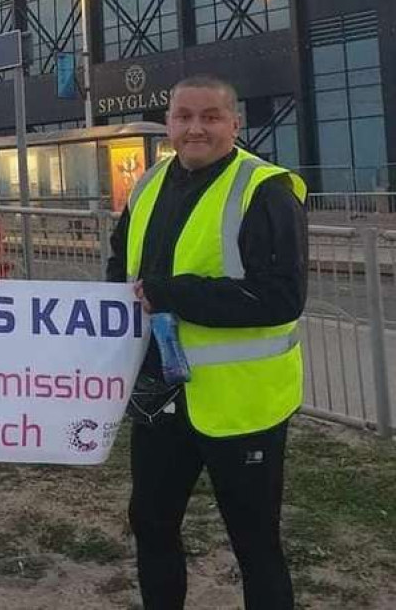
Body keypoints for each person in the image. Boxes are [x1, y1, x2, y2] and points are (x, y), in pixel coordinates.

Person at [107, 75, 307, 609]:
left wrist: (176, 295)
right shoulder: (148, 185)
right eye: (183, 116)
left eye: (211, 117)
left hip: (241, 405)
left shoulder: (265, 190)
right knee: (150, 523)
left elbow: (282, 297)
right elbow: (118, 270)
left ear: (234, 124)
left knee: (255, 543)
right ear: (169, 122)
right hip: (160, 395)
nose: (196, 128)